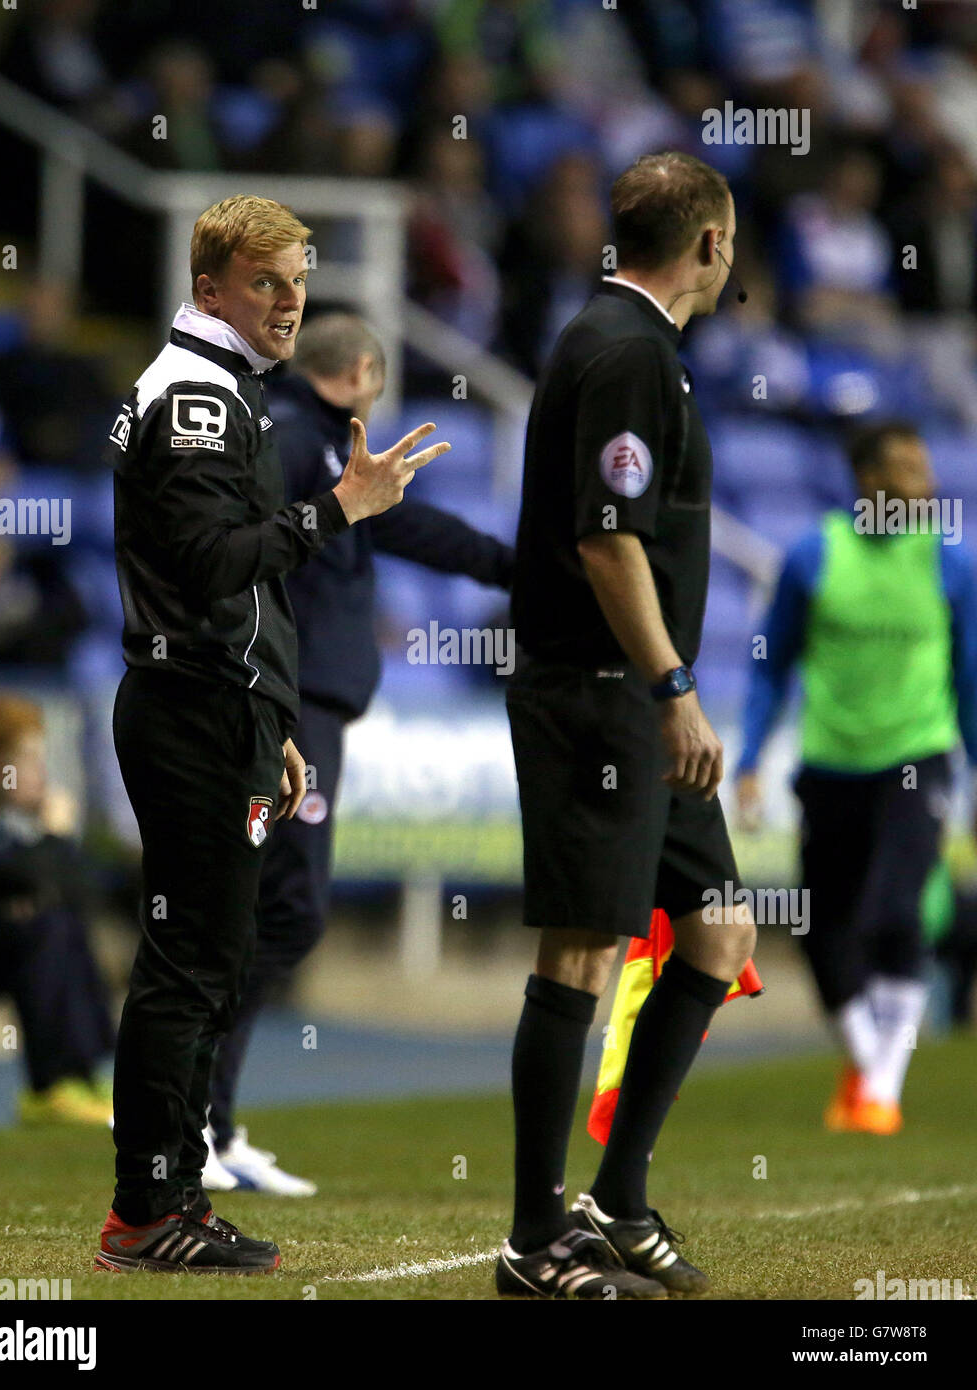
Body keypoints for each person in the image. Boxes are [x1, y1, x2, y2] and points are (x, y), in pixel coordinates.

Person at [95, 193, 449, 1275]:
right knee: (192, 965)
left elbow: (228, 583)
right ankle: (151, 1207)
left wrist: (275, 715)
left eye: (298, 282)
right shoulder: (200, 398)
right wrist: (340, 508)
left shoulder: (216, 387)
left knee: (205, 960)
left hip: (221, 706)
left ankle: (169, 1196)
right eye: (265, 282)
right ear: (210, 288)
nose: (289, 302)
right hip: (191, 708)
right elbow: (211, 563)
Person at [498, 151, 755, 1300]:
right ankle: (531, 1239)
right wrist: (672, 690)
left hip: (636, 701)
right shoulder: (626, 351)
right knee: (584, 950)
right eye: (731, 239)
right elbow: (609, 540)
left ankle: (618, 1195)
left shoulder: (635, 347)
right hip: (604, 697)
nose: (734, 257)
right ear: (708, 243)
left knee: (717, 936)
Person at [204, 313, 513, 1194]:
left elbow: (414, 530)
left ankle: (208, 1124)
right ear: (367, 372)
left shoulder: (323, 451)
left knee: (269, 906)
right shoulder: (299, 441)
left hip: (308, 706)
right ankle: (182, 1114)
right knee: (281, 908)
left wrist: (519, 568)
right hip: (290, 708)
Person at [735, 421, 977, 1134]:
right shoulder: (815, 557)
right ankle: (869, 1066)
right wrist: (750, 760)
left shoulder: (949, 566)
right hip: (831, 766)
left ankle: (879, 1090)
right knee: (819, 931)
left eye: (925, 466)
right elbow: (769, 666)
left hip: (916, 759)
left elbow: (970, 680)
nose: (924, 481)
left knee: (897, 914)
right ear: (866, 478)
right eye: (905, 466)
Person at [0, 694, 114, 1125]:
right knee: (42, 930)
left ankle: (80, 1075)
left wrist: (41, 864)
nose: (41, 775)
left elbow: (79, 888)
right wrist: (54, 834)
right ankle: (53, 1086)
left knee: (58, 922)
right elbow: (17, 876)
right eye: (29, 761)